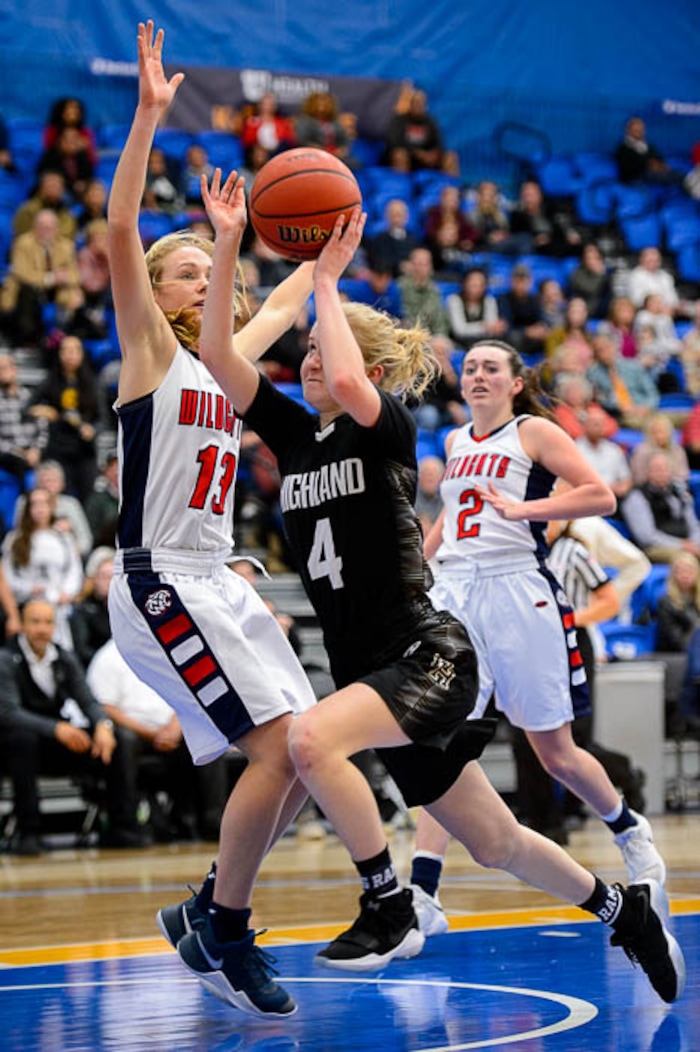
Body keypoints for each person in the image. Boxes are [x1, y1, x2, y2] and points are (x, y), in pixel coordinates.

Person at [182, 182, 684, 1006]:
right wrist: (231, 239)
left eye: (319, 348)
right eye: (303, 350)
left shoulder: (384, 426)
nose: (309, 359)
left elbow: (345, 380)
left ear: (372, 370)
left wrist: (330, 283)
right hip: (373, 671)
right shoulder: (292, 437)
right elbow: (216, 360)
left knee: (309, 742)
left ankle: (390, 901)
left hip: (426, 655)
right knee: (494, 841)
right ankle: (619, 908)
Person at [106, 22, 318, 1019]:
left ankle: (208, 909)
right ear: (158, 293)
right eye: (189, 272)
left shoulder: (224, 368)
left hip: (214, 577)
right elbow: (117, 238)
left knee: (305, 752)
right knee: (276, 753)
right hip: (156, 578)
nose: (206, 282)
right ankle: (224, 922)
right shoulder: (150, 351)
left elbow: (276, 302)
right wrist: (150, 118)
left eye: (209, 272)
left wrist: (329, 246)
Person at [413, 337, 668, 901]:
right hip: (459, 593)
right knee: (443, 744)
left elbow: (600, 495)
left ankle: (629, 830)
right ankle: (421, 892)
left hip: (518, 589)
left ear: (515, 382)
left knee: (555, 753)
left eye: (490, 368)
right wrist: (419, 567)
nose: (477, 375)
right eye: (471, 367)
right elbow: (452, 518)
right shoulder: (455, 440)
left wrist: (524, 509)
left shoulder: (534, 432)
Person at [0, 598, 142, 855]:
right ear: (21, 624)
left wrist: (102, 724)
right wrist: (57, 729)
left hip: (58, 741)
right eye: (35, 622)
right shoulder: (5, 659)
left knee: (120, 738)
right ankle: (29, 831)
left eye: (48, 622)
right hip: (17, 746)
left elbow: (88, 699)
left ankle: (123, 827)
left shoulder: (63, 658)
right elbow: (9, 713)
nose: (42, 628)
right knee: (22, 738)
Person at [86, 637, 228, 842]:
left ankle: (213, 821)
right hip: (133, 732)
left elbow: (190, 695)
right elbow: (105, 707)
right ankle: (126, 825)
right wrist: (151, 733)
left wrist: (175, 727)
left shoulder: (170, 651)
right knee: (124, 740)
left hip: (173, 729)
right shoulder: (108, 657)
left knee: (208, 735)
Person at [28, 334, 99, 501]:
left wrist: (92, 429)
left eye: (74, 350)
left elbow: (103, 418)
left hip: (84, 450)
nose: (69, 355)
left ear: (81, 354)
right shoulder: (51, 380)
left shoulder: (92, 382)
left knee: (87, 497)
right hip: (59, 448)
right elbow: (28, 407)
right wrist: (44, 410)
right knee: (59, 496)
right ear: (59, 354)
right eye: (65, 350)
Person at [0, 209, 83, 348]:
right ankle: (27, 339)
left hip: (56, 292)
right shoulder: (23, 243)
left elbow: (75, 274)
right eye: (43, 227)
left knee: (75, 296)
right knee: (27, 290)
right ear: (35, 228)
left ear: (57, 228)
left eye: (51, 227)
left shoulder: (67, 246)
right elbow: (22, 273)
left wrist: (66, 278)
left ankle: (63, 339)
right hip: (28, 291)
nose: (47, 230)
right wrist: (50, 278)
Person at [621, 451, 700, 563]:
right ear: (648, 472)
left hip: (687, 543)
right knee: (686, 560)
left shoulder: (679, 492)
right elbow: (647, 537)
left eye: (664, 469)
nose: (661, 473)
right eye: (656, 469)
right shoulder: (637, 497)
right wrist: (680, 545)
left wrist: (694, 542)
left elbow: (693, 524)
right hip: (656, 548)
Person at [655, 550, 700, 735]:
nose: (685, 575)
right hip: (679, 652)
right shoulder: (666, 603)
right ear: (673, 575)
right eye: (680, 571)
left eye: (689, 570)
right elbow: (676, 640)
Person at [13, 458, 93, 559]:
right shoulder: (25, 502)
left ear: (62, 484)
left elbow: (86, 540)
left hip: (67, 556)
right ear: (36, 484)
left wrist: (68, 553)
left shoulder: (71, 504)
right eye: (44, 481)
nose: (48, 486)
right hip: (32, 553)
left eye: (53, 481)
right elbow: (17, 534)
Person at [0, 350, 47, 489]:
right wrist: (19, 453)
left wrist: (37, 450)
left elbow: (43, 429)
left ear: (14, 369)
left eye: (4, 367)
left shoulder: (30, 398)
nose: (1, 372)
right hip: (8, 456)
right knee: (20, 467)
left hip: (33, 454)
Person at [575, 404, 633, 504]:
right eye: (594, 423)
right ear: (584, 425)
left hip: (614, 498)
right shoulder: (575, 449)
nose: (598, 427)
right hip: (586, 499)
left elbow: (626, 479)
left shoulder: (614, 450)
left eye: (601, 424)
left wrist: (622, 488)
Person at [69, 546, 115, 669]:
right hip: (95, 667)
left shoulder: (126, 610)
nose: (109, 582)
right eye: (104, 577)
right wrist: (110, 661)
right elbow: (81, 650)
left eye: (113, 577)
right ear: (94, 580)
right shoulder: (82, 610)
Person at [446, 268, 507, 350]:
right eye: (472, 283)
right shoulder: (454, 300)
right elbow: (459, 330)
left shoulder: (489, 301)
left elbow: (491, 328)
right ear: (464, 283)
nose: (475, 287)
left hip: (483, 340)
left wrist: (494, 327)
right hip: (459, 342)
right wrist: (483, 326)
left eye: (479, 284)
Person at [630, 411, 690, 486]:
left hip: (674, 488)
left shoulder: (677, 450)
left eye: (662, 432)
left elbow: (683, 475)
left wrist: (667, 481)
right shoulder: (641, 451)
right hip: (647, 490)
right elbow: (639, 478)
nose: (659, 436)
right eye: (655, 432)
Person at [567, 242, 612, 320]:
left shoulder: (608, 274)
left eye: (596, 258)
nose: (593, 261)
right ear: (584, 259)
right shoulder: (577, 274)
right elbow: (592, 289)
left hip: (604, 313)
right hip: (584, 313)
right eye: (589, 258)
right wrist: (600, 275)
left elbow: (609, 295)